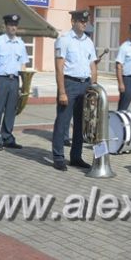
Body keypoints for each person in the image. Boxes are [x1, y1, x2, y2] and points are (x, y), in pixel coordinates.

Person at [52, 10, 97, 171]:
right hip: (69, 84)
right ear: (73, 21)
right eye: (81, 21)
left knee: (81, 124)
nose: (84, 23)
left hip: (85, 85)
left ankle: (76, 157)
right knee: (63, 122)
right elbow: (59, 68)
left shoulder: (88, 42)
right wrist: (62, 91)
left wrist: (94, 88)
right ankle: (58, 157)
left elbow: (92, 65)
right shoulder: (64, 40)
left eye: (86, 21)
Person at [0, 14, 29, 150]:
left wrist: (24, 84)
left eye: (15, 25)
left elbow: (23, 65)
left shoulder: (20, 43)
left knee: (11, 110)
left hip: (14, 80)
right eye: (10, 25)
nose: (13, 27)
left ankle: (7, 137)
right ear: (5, 26)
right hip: (1, 79)